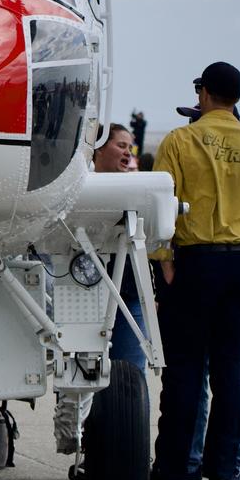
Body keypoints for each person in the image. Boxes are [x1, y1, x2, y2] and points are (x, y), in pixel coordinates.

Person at [147, 62, 240, 480]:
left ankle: (170, 478)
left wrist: (164, 261)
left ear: (204, 93)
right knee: (231, 375)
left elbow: (158, 206)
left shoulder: (179, 140)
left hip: (192, 266)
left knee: (184, 373)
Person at [92, 122, 146, 371]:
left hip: (129, 295)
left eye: (130, 148)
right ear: (99, 148)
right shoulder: (81, 187)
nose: (128, 152)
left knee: (132, 373)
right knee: (82, 375)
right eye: (121, 145)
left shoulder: (136, 191)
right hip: (86, 298)